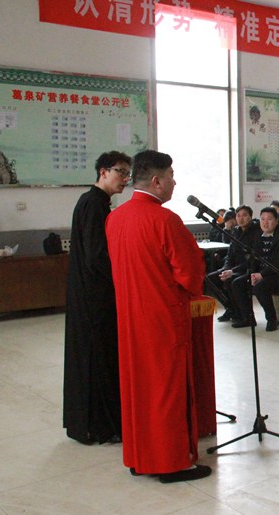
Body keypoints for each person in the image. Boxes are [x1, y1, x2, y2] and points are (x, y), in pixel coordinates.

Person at [106, 150, 210, 482]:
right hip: (163, 318)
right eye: (171, 176)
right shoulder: (165, 220)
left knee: (137, 389)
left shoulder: (115, 218)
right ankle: (171, 462)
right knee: (168, 390)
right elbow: (189, 274)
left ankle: (139, 457)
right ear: (156, 181)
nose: (174, 183)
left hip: (129, 318)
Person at [63, 151, 131, 445]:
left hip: (90, 293)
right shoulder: (93, 204)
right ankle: (99, 426)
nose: (125, 179)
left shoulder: (95, 202)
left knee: (96, 358)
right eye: (120, 172)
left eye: (128, 174)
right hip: (95, 297)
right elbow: (97, 256)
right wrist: (123, 277)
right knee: (98, 359)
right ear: (103, 171)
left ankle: (94, 424)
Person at [231, 207, 279, 331]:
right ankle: (248, 318)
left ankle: (272, 319)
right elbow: (254, 259)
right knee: (237, 283)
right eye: (262, 219)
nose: (265, 223)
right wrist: (252, 273)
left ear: (276, 221)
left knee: (260, 287)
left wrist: (261, 275)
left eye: (269, 219)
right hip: (262, 274)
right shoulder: (258, 236)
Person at [207, 205, 259, 323]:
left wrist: (232, 271)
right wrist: (226, 268)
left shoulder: (256, 232)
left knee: (233, 281)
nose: (241, 218)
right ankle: (231, 308)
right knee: (210, 279)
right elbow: (229, 255)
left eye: (244, 215)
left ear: (250, 217)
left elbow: (253, 258)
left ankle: (247, 316)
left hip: (248, 268)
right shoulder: (236, 231)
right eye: (238, 216)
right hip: (234, 268)